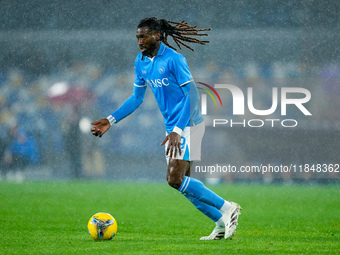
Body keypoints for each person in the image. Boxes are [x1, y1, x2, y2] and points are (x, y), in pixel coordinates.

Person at [91, 17, 241, 240]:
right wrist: (111, 120)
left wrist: (178, 130)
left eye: (144, 36)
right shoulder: (140, 62)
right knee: (183, 184)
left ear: (158, 35)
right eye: (137, 37)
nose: (140, 41)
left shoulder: (174, 59)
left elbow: (192, 95)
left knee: (174, 178)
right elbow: (136, 98)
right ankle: (220, 224)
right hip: (172, 128)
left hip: (188, 123)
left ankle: (228, 207)